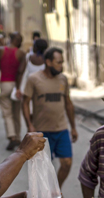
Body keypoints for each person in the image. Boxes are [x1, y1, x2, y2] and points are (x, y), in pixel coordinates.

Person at [22, 47, 77, 190]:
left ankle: (56, 191)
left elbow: (68, 103)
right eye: (58, 62)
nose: (61, 66)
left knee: (67, 163)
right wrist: (29, 125)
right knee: (43, 168)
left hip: (61, 129)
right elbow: (25, 103)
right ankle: (46, 195)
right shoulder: (34, 79)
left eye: (62, 62)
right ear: (48, 62)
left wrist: (73, 127)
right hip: (42, 131)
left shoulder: (63, 79)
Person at [0, 32, 26, 150]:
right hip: (17, 84)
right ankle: (18, 137)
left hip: (5, 83)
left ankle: (12, 137)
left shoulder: (0, 50)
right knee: (16, 113)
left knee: (7, 113)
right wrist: (18, 87)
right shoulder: (21, 53)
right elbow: (20, 72)